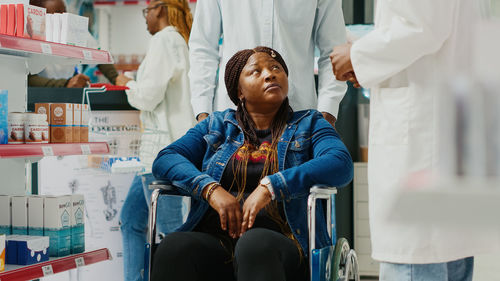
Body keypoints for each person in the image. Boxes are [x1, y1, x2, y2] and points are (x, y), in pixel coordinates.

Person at [150, 47, 353, 281]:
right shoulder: (217, 125)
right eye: (256, 72)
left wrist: (272, 186)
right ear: (239, 91)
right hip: (218, 241)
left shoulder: (310, 123)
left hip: (284, 242)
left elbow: (340, 163)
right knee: (175, 247)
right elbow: (166, 158)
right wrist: (210, 189)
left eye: (276, 68)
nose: (270, 74)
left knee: (254, 244)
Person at [330, 0, 500, 280]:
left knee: (417, 254)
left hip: (425, 135)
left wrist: (357, 56)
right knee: (447, 252)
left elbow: (423, 27)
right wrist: (371, 62)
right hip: (449, 124)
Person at [114, 0, 195, 280]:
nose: (145, 18)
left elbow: (148, 95)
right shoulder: (181, 41)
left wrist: (127, 82)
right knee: (131, 221)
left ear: (159, 9)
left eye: (146, 11)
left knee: (172, 230)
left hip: (162, 154)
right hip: (162, 153)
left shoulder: (164, 40)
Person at [189, 0, 348, 127]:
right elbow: (203, 48)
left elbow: (332, 52)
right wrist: (203, 114)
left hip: (299, 120)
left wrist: (327, 114)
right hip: (231, 120)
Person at [28, 0, 118, 87]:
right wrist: (65, 84)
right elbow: (29, 80)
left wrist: (117, 78)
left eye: (64, 12)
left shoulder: (72, 29)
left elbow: (97, 55)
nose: (63, 19)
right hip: (40, 93)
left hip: (66, 90)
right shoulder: (30, 36)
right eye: (56, 15)